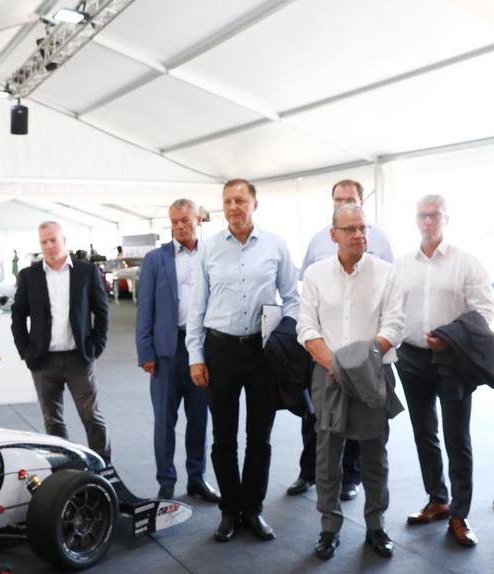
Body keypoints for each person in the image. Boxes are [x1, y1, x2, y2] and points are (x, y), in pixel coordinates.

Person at [187, 179, 299, 543]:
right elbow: (197, 306)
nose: (233, 207)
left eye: (239, 200)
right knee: (223, 438)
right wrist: (196, 357)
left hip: (262, 352)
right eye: (227, 202)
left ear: (254, 204)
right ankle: (229, 511)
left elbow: (293, 298)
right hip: (220, 351)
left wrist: (286, 338)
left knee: (259, 437)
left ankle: (253, 509)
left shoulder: (275, 245)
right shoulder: (209, 248)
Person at [298, 204, 404, 559]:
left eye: (363, 228)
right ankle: (329, 528)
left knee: (374, 455)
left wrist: (358, 363)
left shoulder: (386, 273)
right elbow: (306, 326)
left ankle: (376, 525)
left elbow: (394, 326)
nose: (359, 234)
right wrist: (336, 364)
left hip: (372, 374)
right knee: (327, 457)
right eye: (351, 229)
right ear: (334, 235)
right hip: (327, 373)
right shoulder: (315, 274)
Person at [395, 194, 494, 547]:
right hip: (411, 358)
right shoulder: (401, 264)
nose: (428, 221)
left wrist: (450, 340)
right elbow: (392, 310)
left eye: (434, 215)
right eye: (422, 216)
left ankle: (460, 514)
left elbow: (484, 313)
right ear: (415, 219)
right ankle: (437, 500)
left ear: (446, 219)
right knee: (424, 433)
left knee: (457, 438)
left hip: (452, 360)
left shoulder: (466, 262)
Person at [288, 179, 393, 499]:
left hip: (367, 359)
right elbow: (307, 301)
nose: (344, 202)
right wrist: (331, 359)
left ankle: (351, 478)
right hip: (325, 355)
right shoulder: (318, 241)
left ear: (363, 202)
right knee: (319, 422)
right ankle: (308, 473)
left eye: (351, 199)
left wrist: (360, 361)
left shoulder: (378, 240)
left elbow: (390, 305)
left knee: (365, 429)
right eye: (338, 199)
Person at [136, 199, 218, 503]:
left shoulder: (213, 254)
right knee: (164, 421)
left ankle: (197, 478)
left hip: (202, 350)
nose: (180, 226)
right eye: (174, 222)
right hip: (166, 352)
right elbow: (145, 308)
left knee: (199, 420)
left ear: (198, 220)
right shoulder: (155, 259)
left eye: (185, 220)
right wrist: (146, 352)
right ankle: (166, 480)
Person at [11, 221, 112, 461]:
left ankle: (103, 465)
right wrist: (25, 351)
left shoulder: (86, 272)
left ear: (64, 240)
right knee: (53, 421)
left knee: (91, 417)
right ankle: (64, 467)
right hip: (43, 360)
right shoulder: (29, 275)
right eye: (43, 242)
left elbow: (102, 312)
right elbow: (18, 316)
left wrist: (95, 347)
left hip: (79, 358)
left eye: (53, 240)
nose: (49, 246)